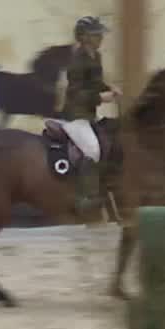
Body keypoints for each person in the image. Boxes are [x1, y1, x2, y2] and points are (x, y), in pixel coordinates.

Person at [58, 16, 116, 216]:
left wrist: (110, 88)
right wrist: (100, 97)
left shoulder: (96, 56)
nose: (100, 38)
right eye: (95, 34)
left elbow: (95, 82)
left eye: (100, 34)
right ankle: (86, 197)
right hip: (75, 115)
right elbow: (76, 93)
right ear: (83, 37)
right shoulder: (76, 61)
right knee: (92, 149)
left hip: (90, 114)